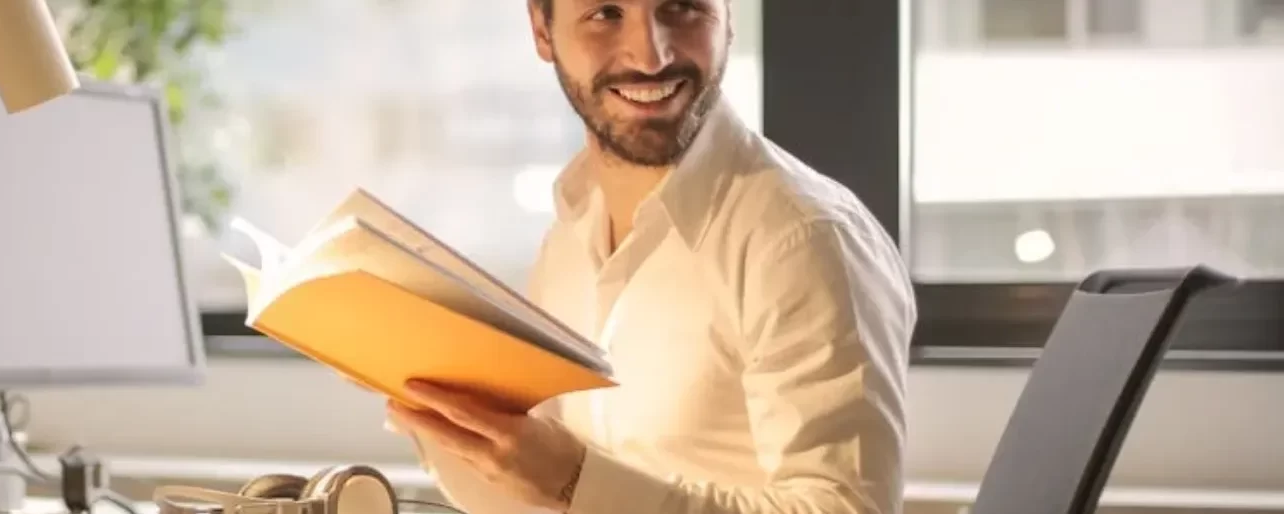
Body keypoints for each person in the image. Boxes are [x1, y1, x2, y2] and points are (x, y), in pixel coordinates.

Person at [380, 1, 915, 513]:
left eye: (682, 8)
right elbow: (536, 492)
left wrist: (576, 481)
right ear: (542, 31)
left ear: (727, 18)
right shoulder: (570, 233)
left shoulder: (805, 240)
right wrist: (433, 406)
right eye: (605, 14)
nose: (650, 56)